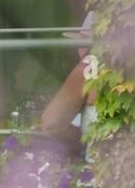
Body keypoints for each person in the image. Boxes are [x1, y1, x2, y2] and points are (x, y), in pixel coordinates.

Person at [40, 12, 98, 144]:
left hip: (101, 163)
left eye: (82, 43)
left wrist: (79, 135)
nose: (79, 49)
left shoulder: (90, 66)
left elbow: (51, 123)